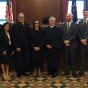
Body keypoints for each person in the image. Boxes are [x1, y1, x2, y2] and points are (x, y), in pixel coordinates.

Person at [12, 12, 31, 78]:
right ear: (18, 18)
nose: (21, 18)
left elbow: (28, 36)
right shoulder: (15, 26)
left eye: (22, 17)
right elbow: (15, 37)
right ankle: (18, 72)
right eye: (20, 17)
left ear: (24, 18)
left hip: (25, 45)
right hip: (19, 46)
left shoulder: (27, 25)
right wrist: (17, 46)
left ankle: (23, 71)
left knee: (24, 58)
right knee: (18, 59)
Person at [61, 13, 78, 78]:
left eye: (69, 16)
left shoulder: (75, 25)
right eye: (67, 16)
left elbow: (75, 34)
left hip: (72, 45)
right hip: (65, 45)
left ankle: (74, 72)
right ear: (65, 17)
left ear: (72, 17)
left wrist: (68, 41)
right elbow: (61, 34)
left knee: (73, 59)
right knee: (66, 59)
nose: (68, 17)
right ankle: (67, 71)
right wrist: (65, 41)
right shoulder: (63, 25)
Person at [78, 9, 88, 76]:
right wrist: (81, 39)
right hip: (81, 43)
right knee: (82, 58)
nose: (85, 13)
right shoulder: (80, 22)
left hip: (87, 42)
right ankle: (82, 71)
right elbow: (78, 32)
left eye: (86, 12)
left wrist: (86, 39)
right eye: (84, 12)